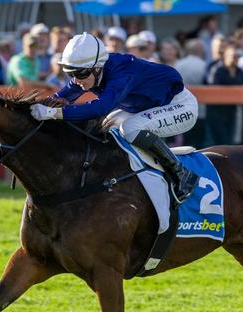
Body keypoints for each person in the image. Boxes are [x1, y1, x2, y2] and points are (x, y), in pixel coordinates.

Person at [28, 32, 200, 202]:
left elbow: (101, 106)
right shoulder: (91, 71)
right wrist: (38, 107)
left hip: (179, 106)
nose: (75, 80)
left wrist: (56, 113)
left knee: (130, 128)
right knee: (107, 127)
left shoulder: (123, 72)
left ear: (97, 68)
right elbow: (61, 97)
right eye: (70, 73)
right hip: (146, 106)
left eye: (79, 74)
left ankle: (181, 172)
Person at [209, 45, 243, 146]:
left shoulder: (239, 71)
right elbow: (213, 89)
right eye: (233, 56)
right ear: (225, 56)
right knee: (218, 142)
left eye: (237, 56)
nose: (235, 58)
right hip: (217, 112)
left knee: (230, 142)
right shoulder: (217, 70)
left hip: (232, 111)